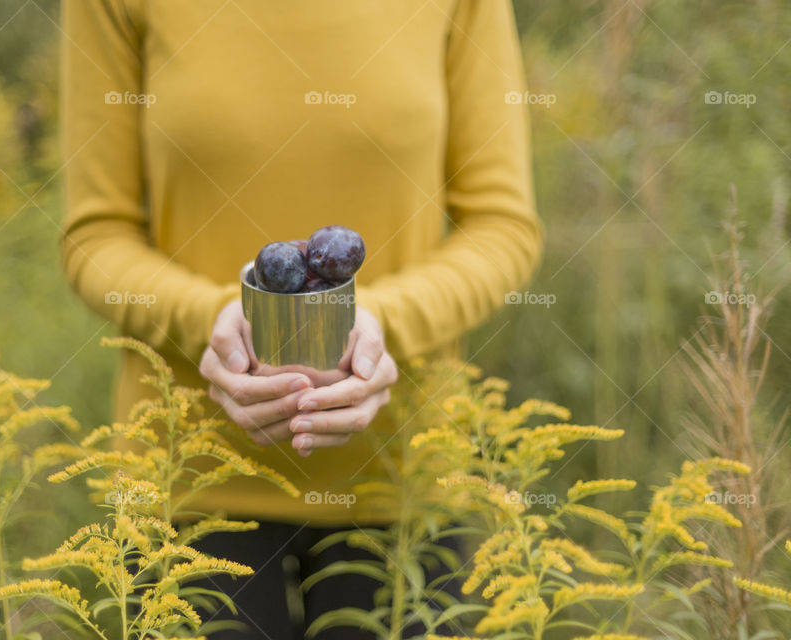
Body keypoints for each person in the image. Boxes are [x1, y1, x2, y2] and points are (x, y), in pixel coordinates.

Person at [60, 0, 542, 637]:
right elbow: (96, 235)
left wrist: (383, 323)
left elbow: (501, 226)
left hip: (400, 476)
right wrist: (209, 320)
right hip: (194, 481)